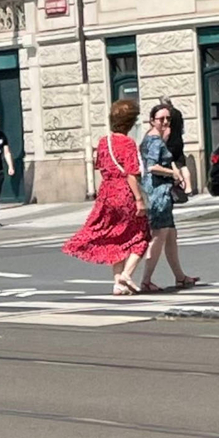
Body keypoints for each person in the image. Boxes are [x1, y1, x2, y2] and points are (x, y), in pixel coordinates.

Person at [63, 98, 151, 294]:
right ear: (130, 122)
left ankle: (118, 284)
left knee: (115, 237)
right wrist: (139, 199)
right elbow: (131, 172)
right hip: (124, 192)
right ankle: (127, 274)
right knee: (141, 235)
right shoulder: (127, 142)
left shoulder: (104, 142)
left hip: (106, 193)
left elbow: (99, 166)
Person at [131, 104, 199, 291]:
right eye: (161, 119)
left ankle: (180, 276)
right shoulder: (155, 141)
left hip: (159, 189)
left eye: (168, 119)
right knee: (159, 236)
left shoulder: (151, 139)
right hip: (157, 191)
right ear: (152, 120)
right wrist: (173, 174)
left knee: (170, 236)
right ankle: (146, 280)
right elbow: (152, 166)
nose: (165, 122)